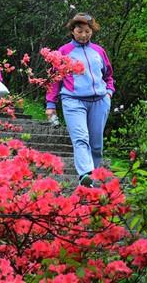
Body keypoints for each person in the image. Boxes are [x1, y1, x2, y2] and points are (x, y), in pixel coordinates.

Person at [45, 13, 114, 187]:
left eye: (87, 31)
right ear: (72, 31)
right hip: (73, 100)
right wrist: (51, 104)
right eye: (80, 31)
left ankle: (93, 179)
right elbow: (55, 79)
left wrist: (109, 93)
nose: (84, 35)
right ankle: (85, 174)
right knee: (81, 138)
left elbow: (108, 76)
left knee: (96, 145)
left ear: (92, 31)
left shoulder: (99, 51)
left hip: (99, 100)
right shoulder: (64, 51)